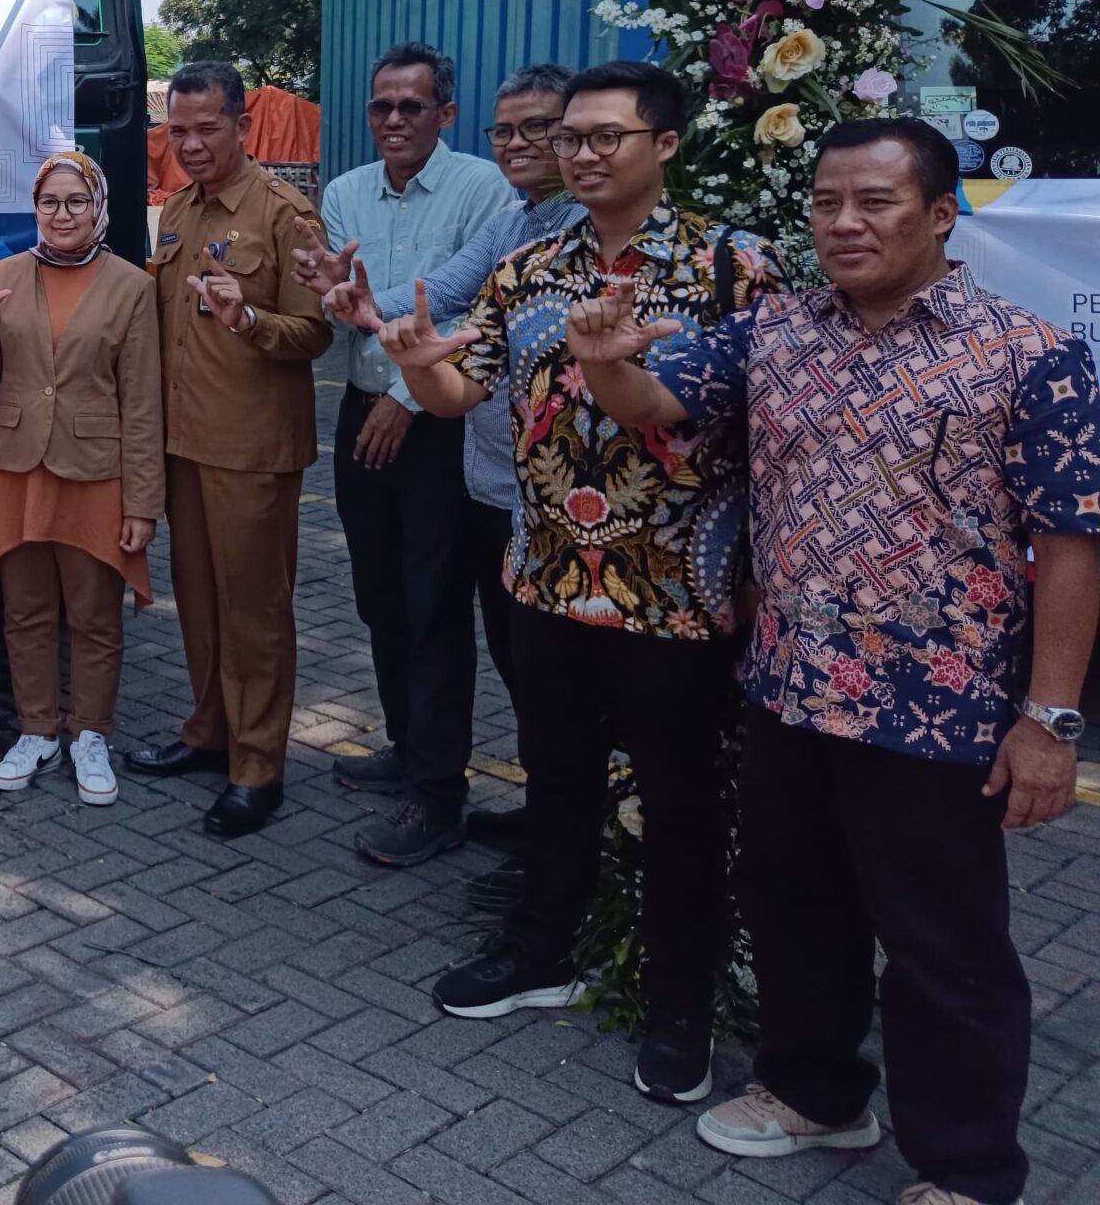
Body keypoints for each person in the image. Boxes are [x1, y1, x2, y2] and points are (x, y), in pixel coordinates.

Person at [563, 118, 1100, 1205]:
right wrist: (601, 364)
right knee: (794, 907)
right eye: (824, 203)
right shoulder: (773, 333)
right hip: (787, 687)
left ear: (942, 217)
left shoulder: (1030, 353)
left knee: (944, 950)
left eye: (876, 203)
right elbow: (657, 408)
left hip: (938, 711)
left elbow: (1072, 542)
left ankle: (966, 1168)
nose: (843, 224)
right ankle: (814, 1093)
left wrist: (1049, 720)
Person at [377, 59, 782, 1105]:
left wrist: (606, 362)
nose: (584, 153)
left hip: (672, 591)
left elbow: (705, 420)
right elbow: (458, 393)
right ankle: (539, 948)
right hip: (546, 575)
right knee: (552, 779)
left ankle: (678, 1001)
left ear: (667, 147)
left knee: (679, 802)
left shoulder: (733, 272)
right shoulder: (528, 269)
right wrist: (415, 359)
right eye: (573, 138)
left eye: (608, 136)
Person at [297, 62, 579, 901]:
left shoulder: (501, 198)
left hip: (475, 440)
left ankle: (458, 795)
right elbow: (434, 301)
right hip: (482, 441)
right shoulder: (510, 224)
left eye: (545, 131)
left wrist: (405, 392)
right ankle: (430, 761)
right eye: (511, 131)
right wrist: (360, 309)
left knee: (466, 621)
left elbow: (455, 323)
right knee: (391, 598)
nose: (392, 118)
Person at [124, 60, 331, 839]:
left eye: (207, 128)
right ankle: (209, 730)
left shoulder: (285, 214)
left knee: (255, 610)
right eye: (178, 130)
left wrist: (250, 322)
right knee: (201, 603)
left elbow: (316, 332)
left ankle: (257, 766)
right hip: (184, 443)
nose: (191, 144)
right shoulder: (176, 210)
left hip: (252, 450)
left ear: (242, 125)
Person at [0, 152, 161, 807]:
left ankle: (90, 734)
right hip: (13, 468)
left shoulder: (132, 285)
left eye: (75, 202)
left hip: (96, 471)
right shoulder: (5, 275)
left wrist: (143, 501)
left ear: (97, 207)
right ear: (35, 209)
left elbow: (145, 401)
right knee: (26, 610)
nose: (62, 214)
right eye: (50, 203)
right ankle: (37, 729)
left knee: (95, 614)